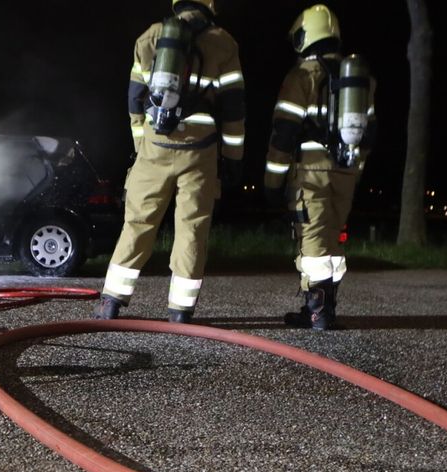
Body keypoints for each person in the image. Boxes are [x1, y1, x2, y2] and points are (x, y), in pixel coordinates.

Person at [95, 0, 245, 323]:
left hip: (155, 145)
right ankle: (180, 310)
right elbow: (234, 108)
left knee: (138, 222)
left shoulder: (150, 36)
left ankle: (111, 301)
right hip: (200, 149)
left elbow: (135, 98)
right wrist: (233, 158)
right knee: (192, 228)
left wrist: (142, 142)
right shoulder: (224, 43)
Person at [264, 4, 377, 330]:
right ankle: (323, 306)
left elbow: (283, 132)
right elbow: (370, 133)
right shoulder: (360, 80)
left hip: (311, 170)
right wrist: (355, 170)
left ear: (306, 35)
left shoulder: (302, 76)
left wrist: (273, 181)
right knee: (333, 239)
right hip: (345, 171)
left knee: (312, 238)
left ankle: (318, 311)